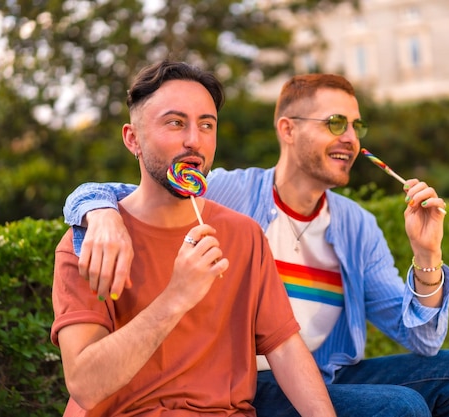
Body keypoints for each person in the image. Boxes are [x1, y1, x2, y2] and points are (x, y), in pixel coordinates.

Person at [62, 72, 449, 416]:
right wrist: (98, 210)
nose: (350, 138)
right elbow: (150, 191)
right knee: (400, 407)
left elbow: (420, 340)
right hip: (257, 377)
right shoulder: (228, 192)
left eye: (356, 126)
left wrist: (426, 255)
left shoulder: (355, 225)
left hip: (327, 372)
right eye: (334, 123)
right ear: (287, 129)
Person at [50, 60, 336, 416]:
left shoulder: (244, 235)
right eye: (175, 123)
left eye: (206, 125)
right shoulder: (91, 244)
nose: (193, 140)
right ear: (132, 139)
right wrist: (176, 296)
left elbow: (286, 349)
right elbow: (86, 387)